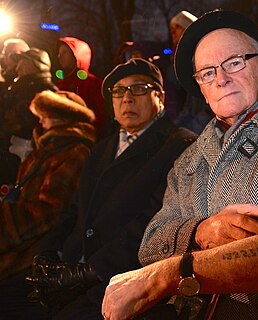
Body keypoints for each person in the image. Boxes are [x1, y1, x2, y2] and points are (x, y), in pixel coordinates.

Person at [102, 10, 258, 320]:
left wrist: (166, 275)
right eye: (207, 72)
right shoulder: (187, 161)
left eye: (235, 62)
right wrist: (201, 231)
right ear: (202, 91)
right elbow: (150, 244)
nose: (221, 79)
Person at [7, 58, 197, 319]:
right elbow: (73, 211)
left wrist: (91, 271)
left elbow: (156, 222)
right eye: (118, 91)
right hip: (70, 268)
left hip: (120, 278)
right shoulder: (101, 149)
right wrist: (46, 253)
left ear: (160, 97)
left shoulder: (178, 145)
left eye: (139, 88)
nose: (127, 98)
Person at [0, 89, 96, 280]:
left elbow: (51, 211)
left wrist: (6, 219)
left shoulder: (74, 152)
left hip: (31, 252)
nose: (40, 121)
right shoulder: (45, 149)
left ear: (63, 117)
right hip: (20, 240)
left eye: (45, 115)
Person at [0, 48, 58, 190]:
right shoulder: (17, 88)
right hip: (10, 152)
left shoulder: (46, 91)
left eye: (22, 61)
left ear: (37, 64)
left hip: (25, 155)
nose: (18, 66)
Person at [167, 10, 214, 134]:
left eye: (177, 27)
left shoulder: (201, 55)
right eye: (171, 29)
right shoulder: (178, 56)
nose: (173, 33)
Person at [56, 36, 111, 140]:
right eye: (59, 53)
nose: (59, 56)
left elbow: (100, 118)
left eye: (64, 53)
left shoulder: (94, 84)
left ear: (77, 55)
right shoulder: (60, 83)